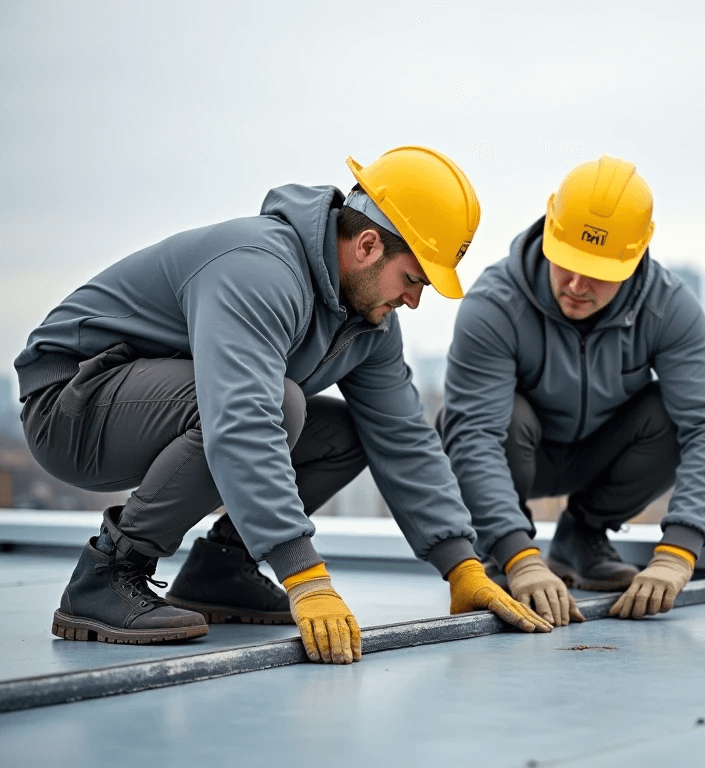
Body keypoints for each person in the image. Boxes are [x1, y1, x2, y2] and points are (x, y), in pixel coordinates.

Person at [16, 146, 551, 665]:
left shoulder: (368, 319)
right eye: (413, 278)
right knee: (277, 403)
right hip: (73, 405)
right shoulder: (261, 268)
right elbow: (244, 417)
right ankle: (107, 576)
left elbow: (401, 435)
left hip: (154, 406)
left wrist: (462, 566)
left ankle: (222, 571)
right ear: (366, 246)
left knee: (348, 432)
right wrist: (304, 576)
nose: (414, 299)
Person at [439, 155, 705, 626]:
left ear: (635, 255)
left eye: (598, 271)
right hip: (520, 453)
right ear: (550, 234)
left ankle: (582, 535)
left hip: (602, 455)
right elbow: (474, 436)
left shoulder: (669, 307)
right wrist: (520, 558)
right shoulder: (495, 304)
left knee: (673, 416)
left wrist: (678, 552)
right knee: (504, 418)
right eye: (568, 264)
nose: (577, 286)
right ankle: (498, 552)